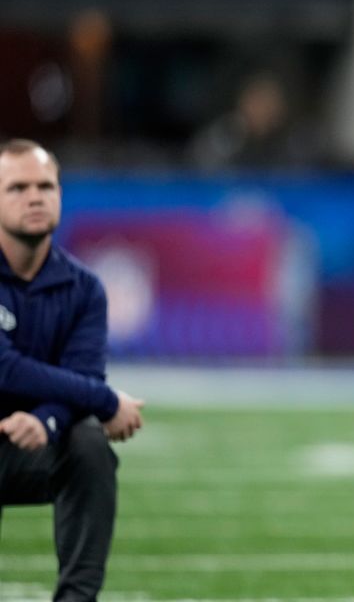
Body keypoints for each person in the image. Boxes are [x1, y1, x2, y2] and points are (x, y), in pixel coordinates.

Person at [0, 138, 145, 602]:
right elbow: (4, 369)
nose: (35, 197)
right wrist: (106, 402)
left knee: (88, 443)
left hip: (30, 448)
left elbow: (85, 376)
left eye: (46, 185)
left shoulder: (84, 288)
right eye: (17, 188)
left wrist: (46, 420)